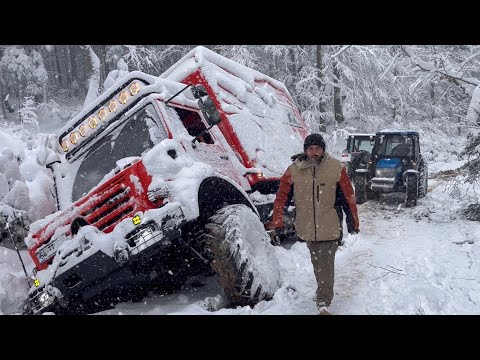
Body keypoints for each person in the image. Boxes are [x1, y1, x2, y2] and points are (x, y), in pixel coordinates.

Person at [271, 133, 359, 315]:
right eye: (310, 148)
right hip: (307, 227)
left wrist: (353, 224)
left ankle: (324, 302)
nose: (314, 152)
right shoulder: (294, 170)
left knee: (326, 264)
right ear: (305, 150)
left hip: (330, 226)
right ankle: (322, 289)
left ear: (323, 150)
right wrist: (278, 220)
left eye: (318, 148)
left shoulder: (336, 168)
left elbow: (348, 198)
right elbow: (281, 197)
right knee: (317, 262)